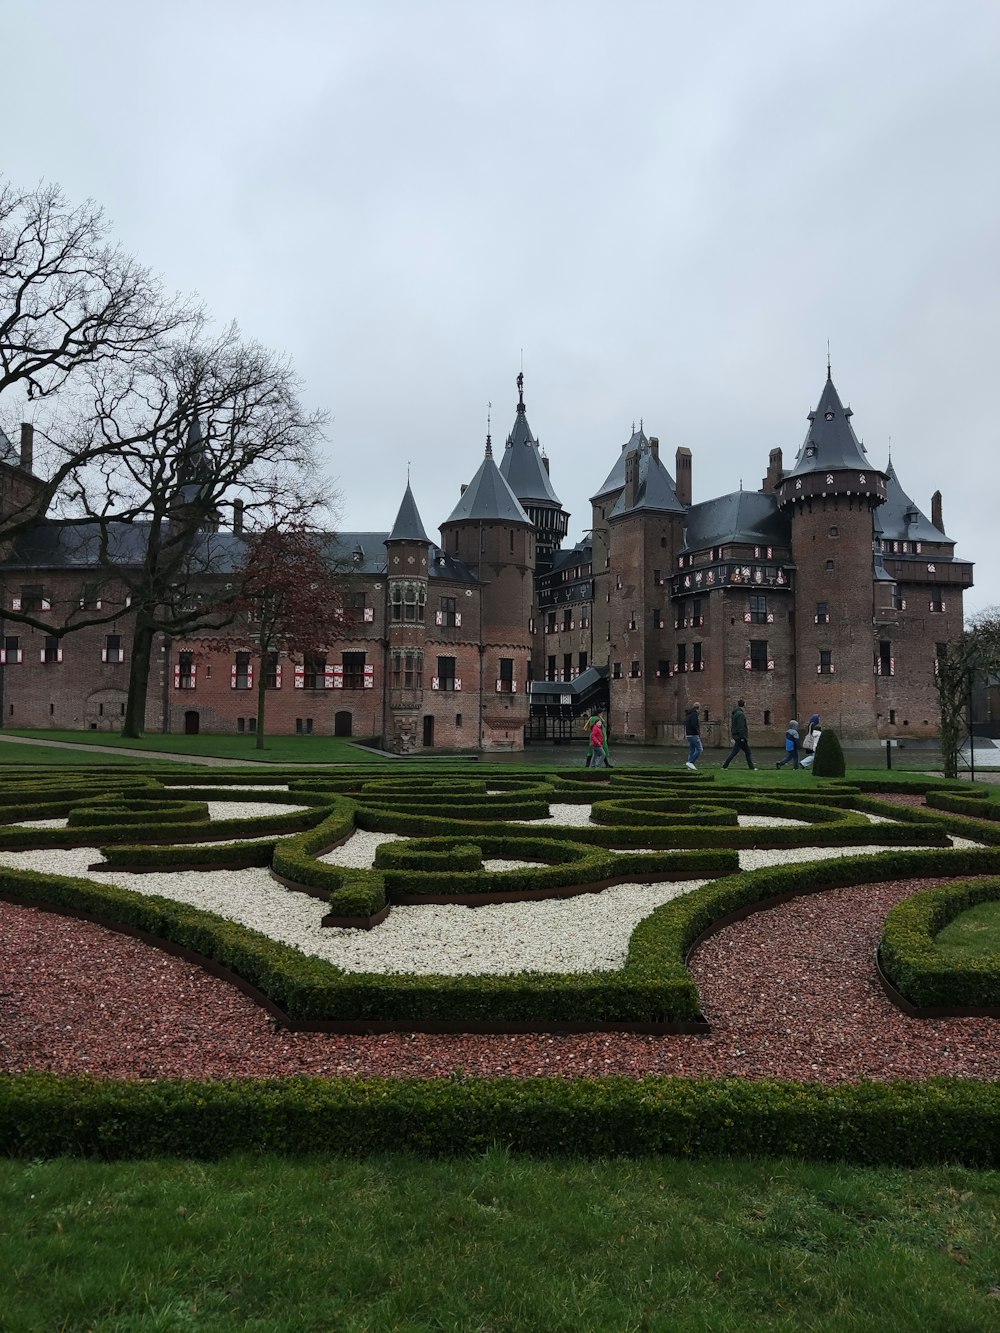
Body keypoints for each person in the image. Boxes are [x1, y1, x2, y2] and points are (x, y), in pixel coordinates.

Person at [721, 699, 755, 769]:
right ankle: (724, 766)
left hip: (737, 736)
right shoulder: (740, 714)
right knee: (735, 752)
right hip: (740, 737)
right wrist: (743, 737)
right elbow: (741, 726)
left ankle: (751, 767)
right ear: (744, 705)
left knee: (747, 752)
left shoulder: (736, 713)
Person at [684, 701, 703, 771]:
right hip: (693, 734)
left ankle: (689, 766)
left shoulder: (688, 714)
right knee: (699, 749)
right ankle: (690, 762)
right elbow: (694, 724)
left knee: (692, 750)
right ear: (698, 708)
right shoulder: (694, 714)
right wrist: (697, 732)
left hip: (688, 734)